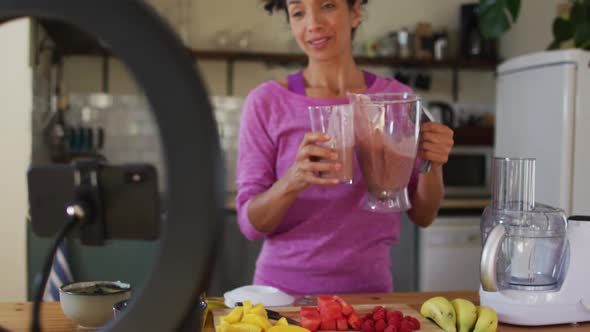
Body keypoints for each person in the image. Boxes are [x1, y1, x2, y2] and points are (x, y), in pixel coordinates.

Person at [235, 0, 454, 295]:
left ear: (354, 12)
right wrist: (293, 179)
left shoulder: (396, 98)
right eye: (298, 12)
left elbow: (423, 215)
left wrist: (433, 163)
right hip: (283, 299)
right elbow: (250, 225)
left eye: (327, 5)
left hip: (370, 296)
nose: (313, 24)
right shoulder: (266, 103)